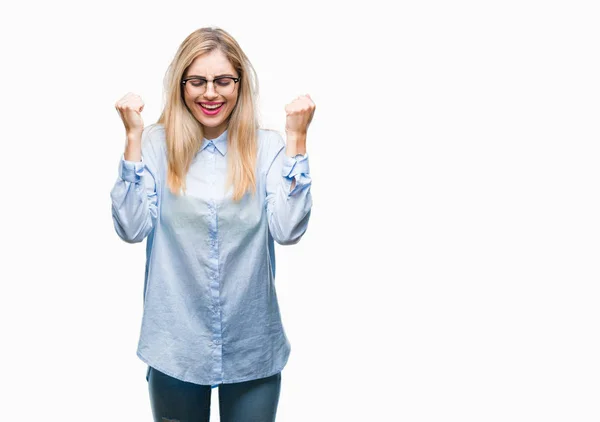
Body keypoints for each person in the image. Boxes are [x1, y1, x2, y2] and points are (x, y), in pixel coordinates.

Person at [110, 27, 314, 422]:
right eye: (197, 81)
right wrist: (133, 137)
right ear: (181, 84)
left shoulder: (269, 148)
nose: (210, 94)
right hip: (176, 345)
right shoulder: (154, 144)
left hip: (252, 343)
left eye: (223, 81)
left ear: (239, 83)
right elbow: (131, 228)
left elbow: (288, 231)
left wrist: (297, 139)